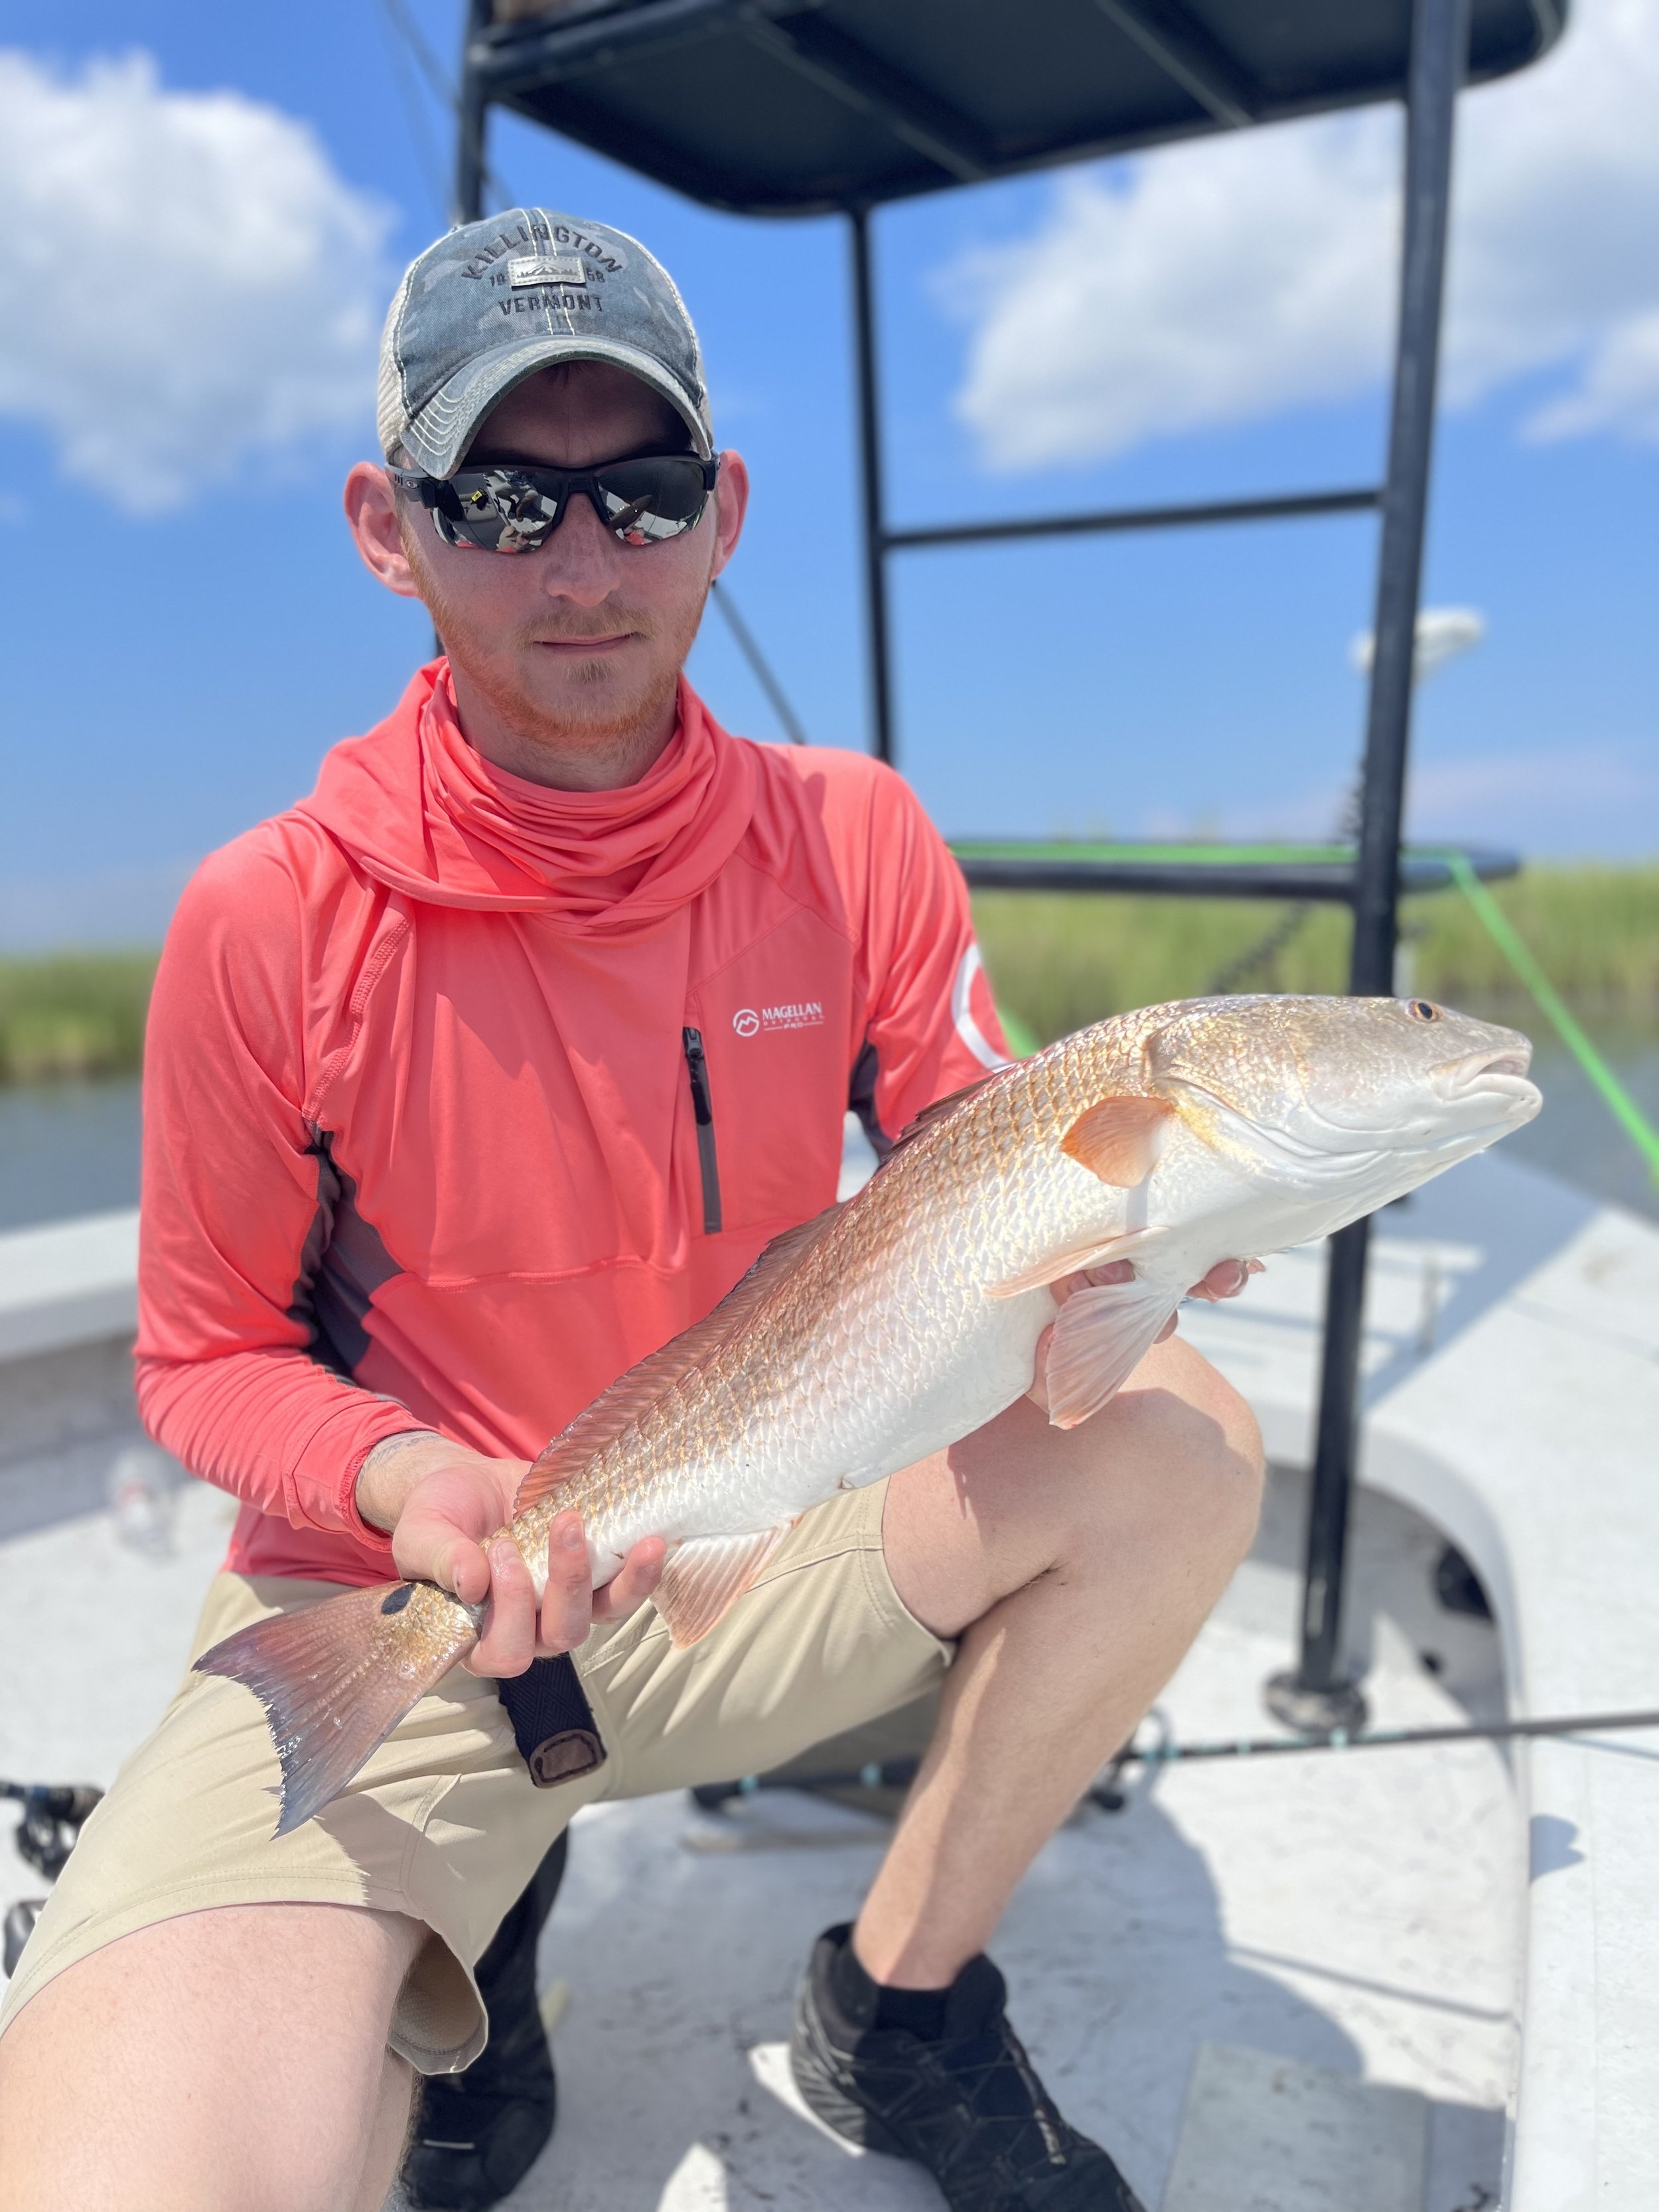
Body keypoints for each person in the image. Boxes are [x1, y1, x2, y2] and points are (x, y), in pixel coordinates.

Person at [0, 210, 1263, 2212]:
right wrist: (411, 1476)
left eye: (639, 490)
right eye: (502, 499)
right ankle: (478, 1936)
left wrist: (1152, 1217)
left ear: (720, 511)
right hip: (414, 1590)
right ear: (384, 526)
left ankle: (901, 2002)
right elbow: (205, 1355)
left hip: (762, 1535)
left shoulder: (852, 836)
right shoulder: (266, 918)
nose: (582, 567)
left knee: (1179, 1437)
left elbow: (973, 1133)